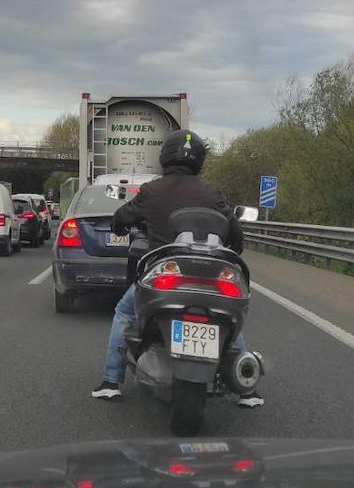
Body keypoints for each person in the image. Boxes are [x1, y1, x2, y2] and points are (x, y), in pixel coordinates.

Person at [90, 129, 263, 408]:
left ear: (165, 156)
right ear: (199, 159)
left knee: (124, 311)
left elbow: (123, 217)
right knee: (228, 315)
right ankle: (247, 390)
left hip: (166, 274)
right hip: (209, 277)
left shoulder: (151, 190)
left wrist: (120, 224)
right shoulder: (211, 191)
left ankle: (111, 382)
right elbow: (235, 235)